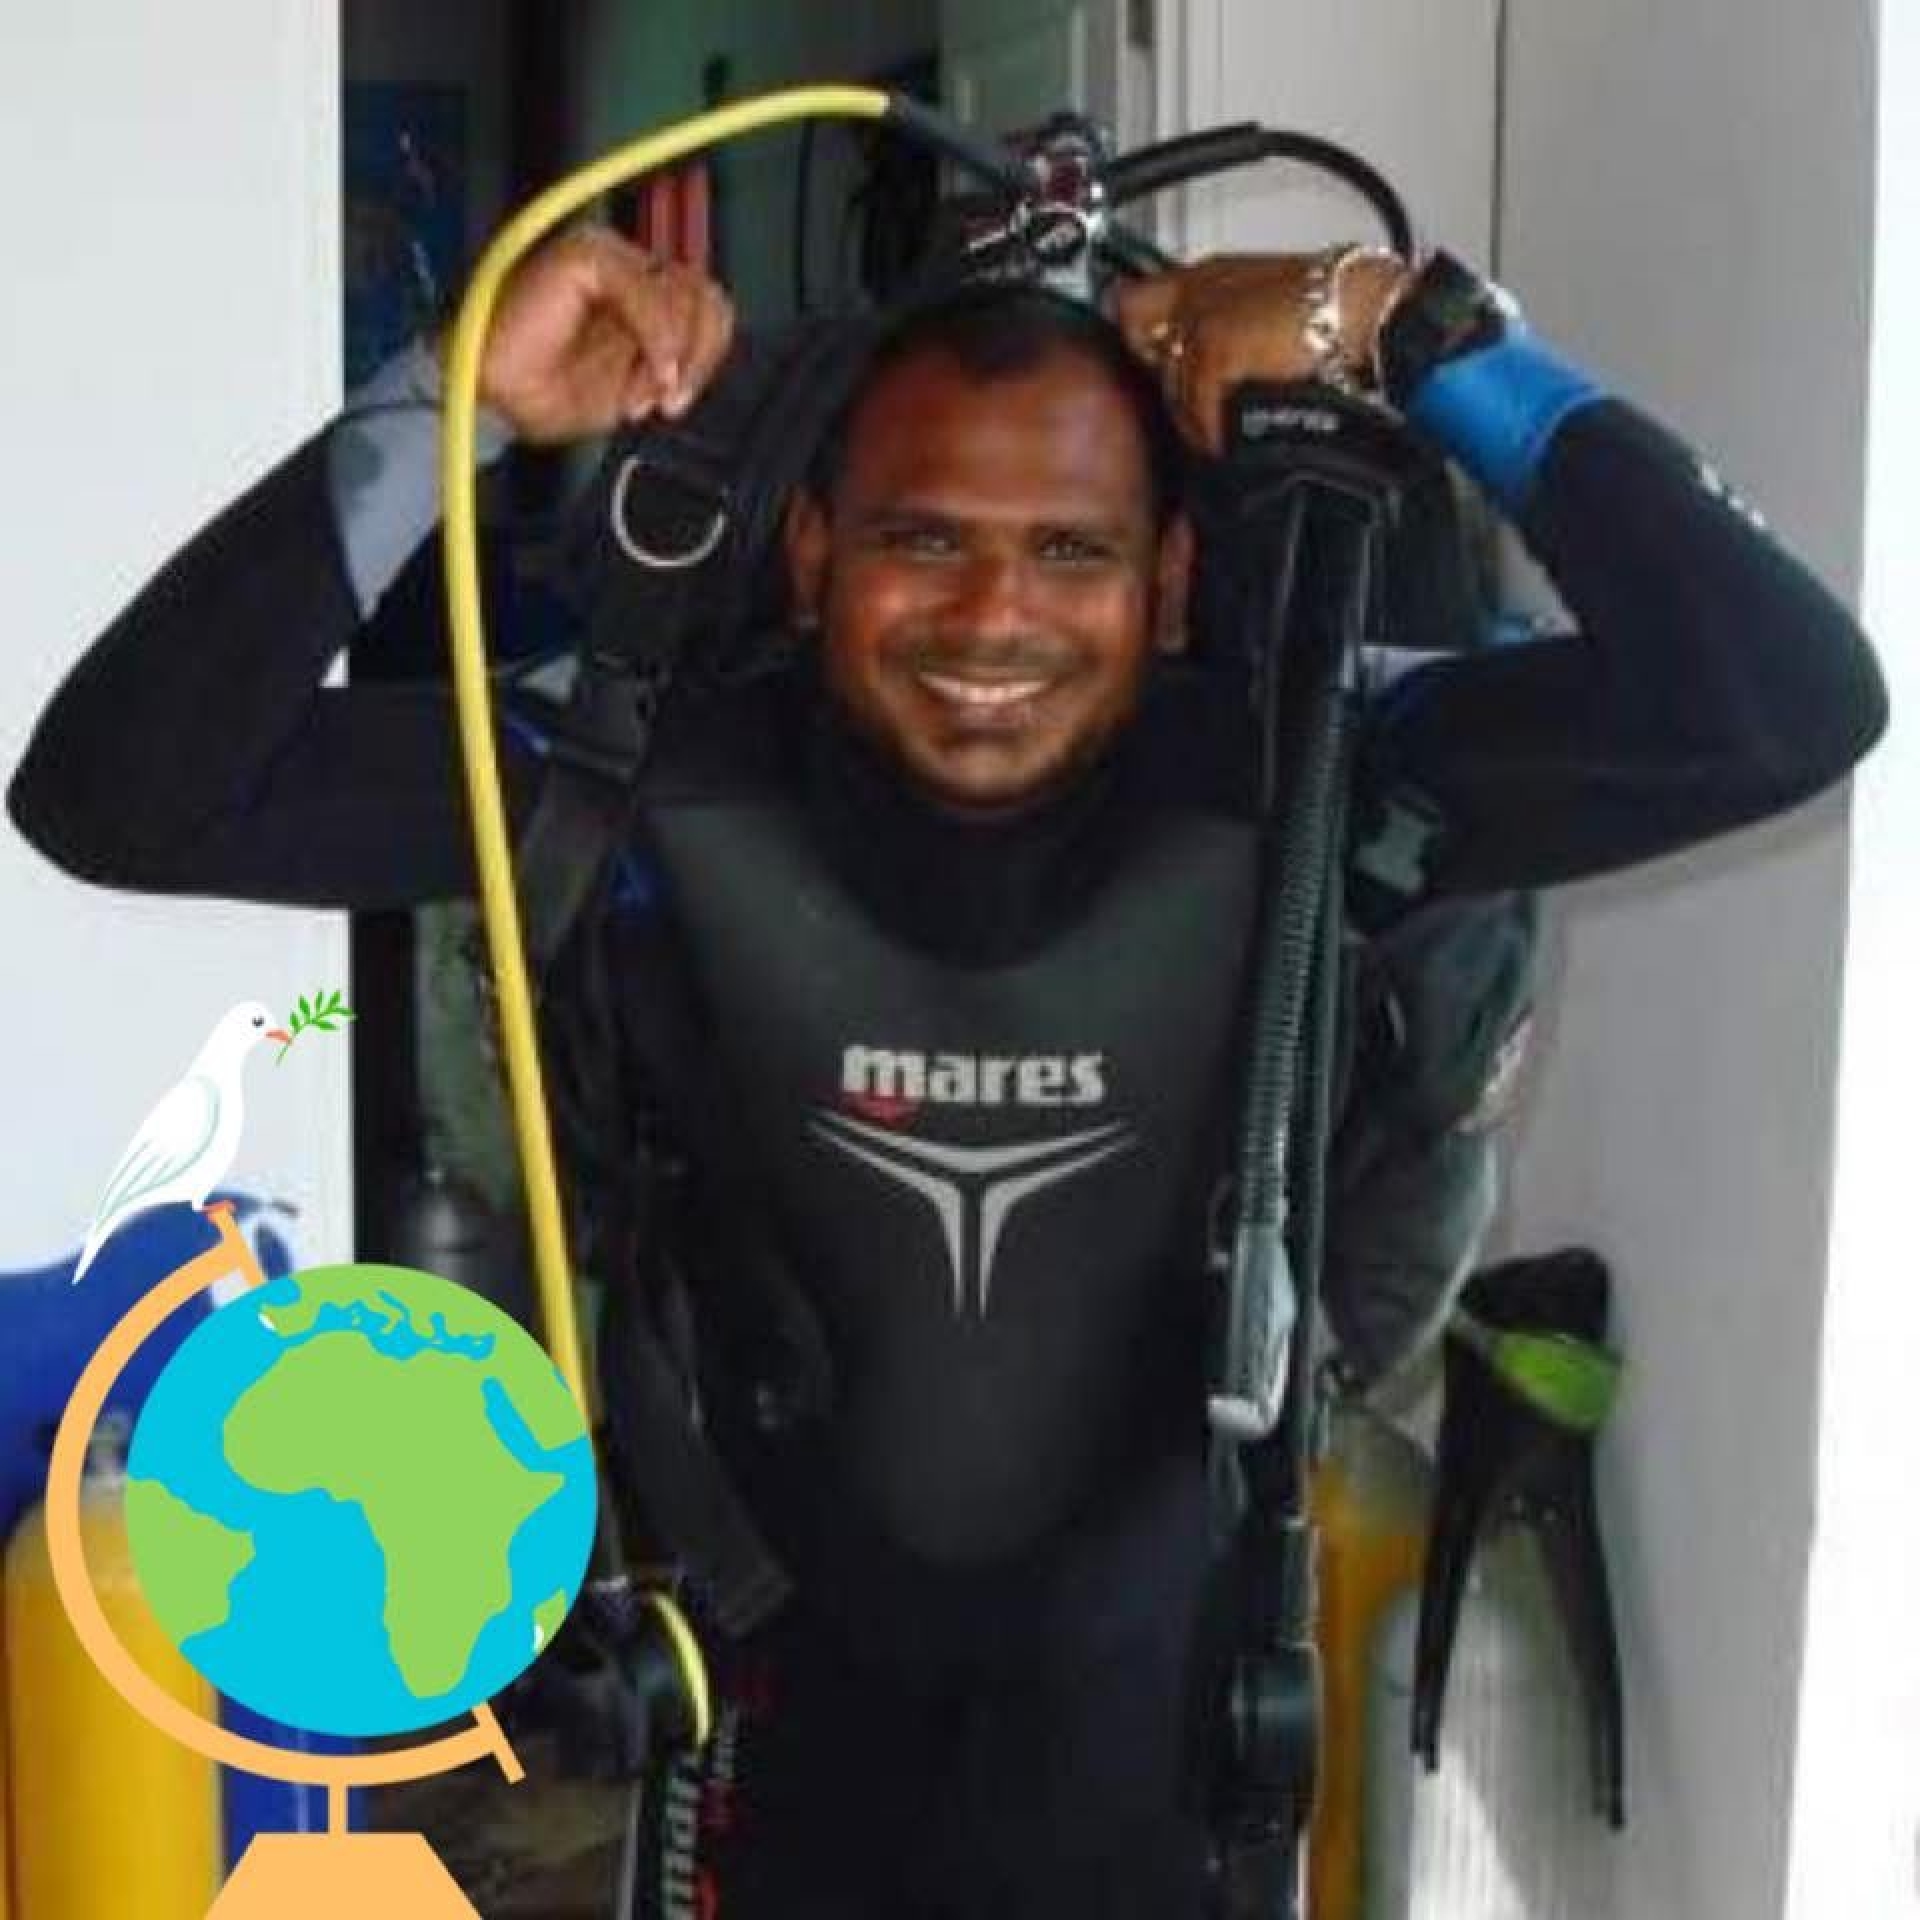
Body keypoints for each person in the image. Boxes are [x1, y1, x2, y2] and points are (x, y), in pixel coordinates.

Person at [7, 225, 1887, 1917]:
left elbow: (1785, 702)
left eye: (1071, 551)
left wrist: (1416, 333)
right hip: (763, 1808)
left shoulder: (1313, 780)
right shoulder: (646, 785)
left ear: (1168, 580)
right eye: (923, 538)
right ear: (813, 554)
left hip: (1170, 1835)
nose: (994, 619)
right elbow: (117, 794)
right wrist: (450, 399)